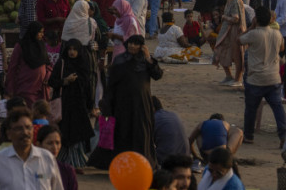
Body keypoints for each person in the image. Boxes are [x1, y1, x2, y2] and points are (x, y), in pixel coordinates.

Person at [92, 34, 163, 168]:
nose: (132, 46)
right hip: (122, 105)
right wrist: (107, 104)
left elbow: (157, 75)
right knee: (122, 133)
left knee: (140, 133)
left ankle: (141, 164)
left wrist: (148, 58)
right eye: (130, 43)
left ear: (142, 46)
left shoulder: (146, 62)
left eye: (136, 44)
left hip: (141, 106)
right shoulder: (120, 60)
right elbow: (112, 84)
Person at [0, 108, 63, 190]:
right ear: (9, 134)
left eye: (28, 127)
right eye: (19, 128)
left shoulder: (47, 158)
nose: (25, 132)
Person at [239, 5, 286, 145]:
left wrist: (251, 27)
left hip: (256, 78)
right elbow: (282, 48)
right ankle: (283, 136)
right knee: (278, 109)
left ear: (256, 19)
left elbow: (239, 40)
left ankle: (249, 136)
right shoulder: (277, 33)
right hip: (273, 77)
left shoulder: (254, 34)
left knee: (251, 109)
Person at [48, 39, 96, 167]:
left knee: (78, 132)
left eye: (74, 49)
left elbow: (88, 85)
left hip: (79, 104)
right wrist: (65, 81)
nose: (72, 52)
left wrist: (90, 106)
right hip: (64, 104)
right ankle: (64, 160)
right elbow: (52, 81)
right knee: (64, 132)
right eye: (70, 49)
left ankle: (76, 160)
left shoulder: (83, 64)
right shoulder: (61, 63)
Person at [5, 21, 51, 106]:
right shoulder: (21, 45)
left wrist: (47, 76)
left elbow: (47, 64)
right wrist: (10, 87)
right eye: (40, 32)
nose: (42, 35)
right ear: (33, 32)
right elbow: (13, 67)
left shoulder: (41, 45)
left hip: (41, 87)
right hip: (25, 86)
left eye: (43, 32)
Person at [214, 0, 246, 87]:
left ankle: (238, 78)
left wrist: (224, 17)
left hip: (235, 30)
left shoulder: (236, 1)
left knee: (237, 55)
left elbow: (236, 18)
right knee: (221, 50)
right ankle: (228, 75)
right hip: (227, 30)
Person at [36, 126, 78, 190]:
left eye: (57, 143)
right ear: (39, 145)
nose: (55, 147)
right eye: (50, 143)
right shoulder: (32, 168)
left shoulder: (67, 171)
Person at [152, 96, 191, 166]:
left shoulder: (152, 119)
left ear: (152, 108)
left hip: (167, 161)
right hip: (185, 157)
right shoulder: (173, 114)